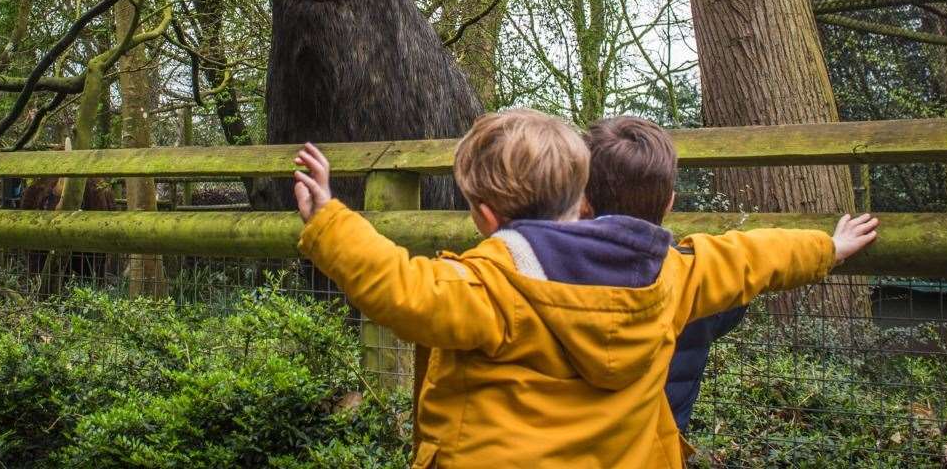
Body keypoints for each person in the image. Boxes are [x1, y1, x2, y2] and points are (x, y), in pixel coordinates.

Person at [293, 108, 879, 469]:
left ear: (487, 217)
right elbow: (754, 256)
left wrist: (329, 219)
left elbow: (400, 288)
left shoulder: (492, 283)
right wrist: (828, 247)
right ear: (578, 198)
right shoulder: (673, 272)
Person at [583, 116, 745, 436]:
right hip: (662, 438)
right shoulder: (696, 277)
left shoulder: (557, 271)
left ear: (582, 200)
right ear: (670, 201)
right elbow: (732, 305)